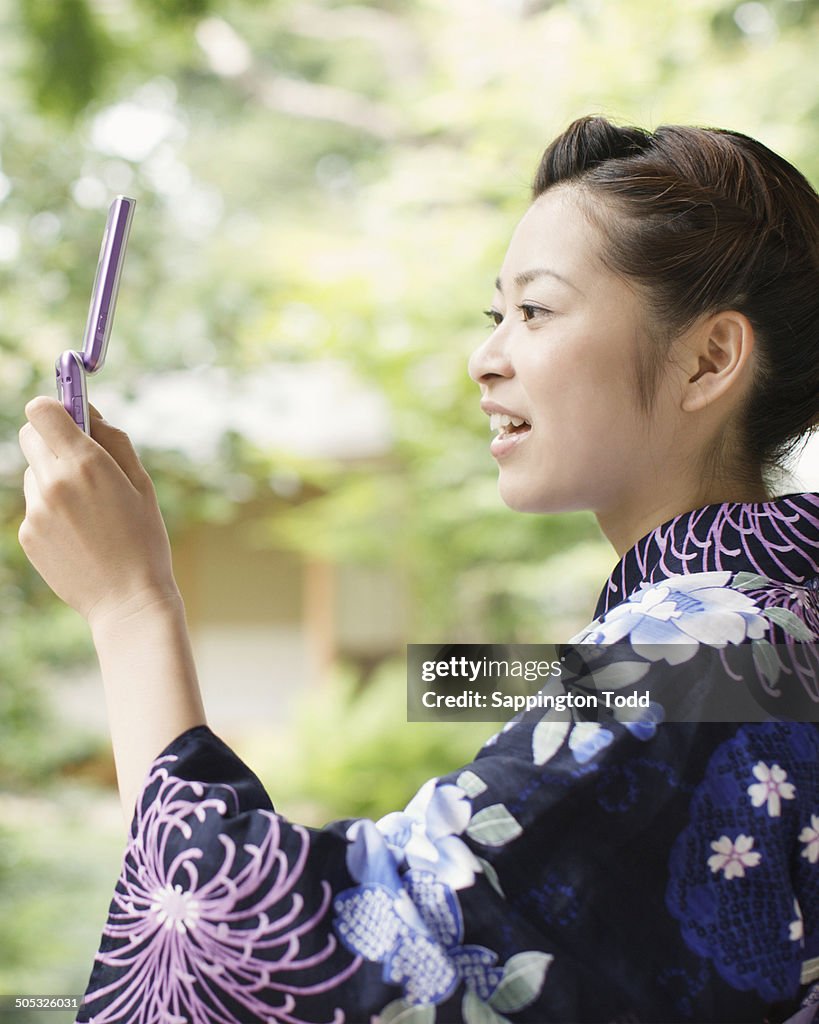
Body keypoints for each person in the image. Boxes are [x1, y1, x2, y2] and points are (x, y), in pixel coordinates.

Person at [17, 115, 819, 1023]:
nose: (485, 359)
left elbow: (291, 957)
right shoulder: (767, 630)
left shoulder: (703, 652)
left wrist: (130, 607)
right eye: (495, 315)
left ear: (708, 359)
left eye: (537, 310)